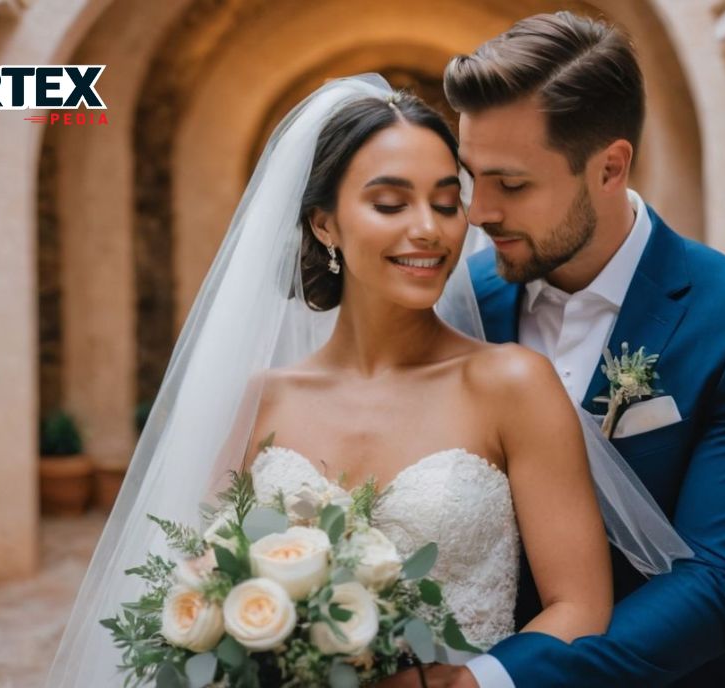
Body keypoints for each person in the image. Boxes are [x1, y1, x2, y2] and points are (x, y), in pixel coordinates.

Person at [46, 75, 690, 687]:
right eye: (390, 203)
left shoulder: (512, 384)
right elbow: (200, 583)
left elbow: (579, 607)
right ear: (324, 223)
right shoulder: (264, 399)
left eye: (445, 202)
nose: (429, 229)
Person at [418, 11, 725, 688]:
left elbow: (718, 580)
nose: (478, 214)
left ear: (610, 167)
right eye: (473, 178)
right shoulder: (460, 302)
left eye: (512, 185)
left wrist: (495, 682)